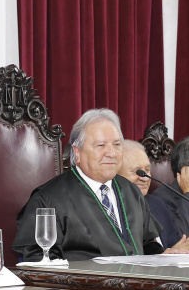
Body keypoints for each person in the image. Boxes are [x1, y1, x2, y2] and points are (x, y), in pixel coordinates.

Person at [13, 108, 163, 261]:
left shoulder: (131, 190)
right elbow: (40, 261)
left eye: (117, 145)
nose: (111, 153)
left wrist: (165, 256)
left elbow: (147, 243)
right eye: (101, 145)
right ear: (77, 152)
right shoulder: (46, 200)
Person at [118, 140, 189, 252]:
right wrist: (164, 257)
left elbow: (175, 246)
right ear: (116, 174)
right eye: (137, 172)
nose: (145, 178)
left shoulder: (157, 204)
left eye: (147, 170)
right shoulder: (114, 210)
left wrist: (181, 251)